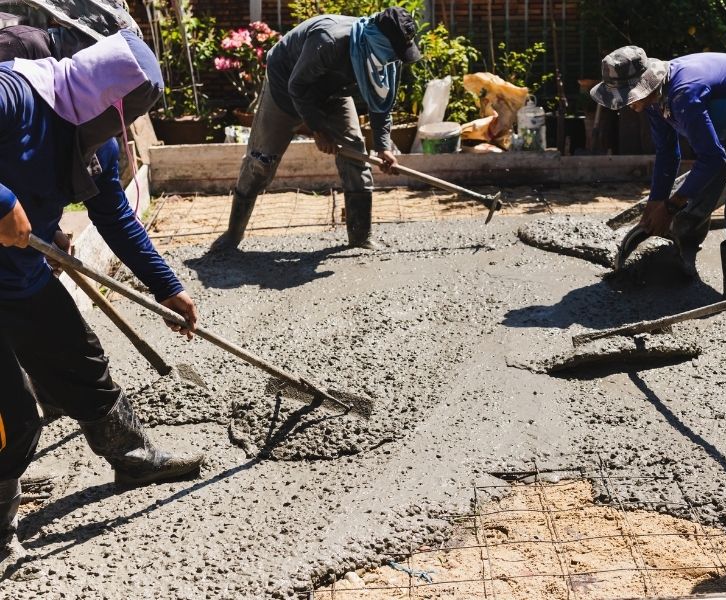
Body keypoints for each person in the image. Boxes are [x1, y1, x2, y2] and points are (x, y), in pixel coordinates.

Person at [0, 30, 205, 575]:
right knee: (12, 416)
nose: (119, 130)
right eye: (122, 115)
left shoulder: (94, 139)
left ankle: (133, 459)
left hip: (18, 276)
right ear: (103, 97)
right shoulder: (14, 95)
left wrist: (167, 286)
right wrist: (1, 201)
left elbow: (114, 215)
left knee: (81, 361)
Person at [209, 7, 422, 252]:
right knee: (261, 160)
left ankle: (360, 237)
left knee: (355, 154)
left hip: (332, 92)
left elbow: (382, 102)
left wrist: (383, 147)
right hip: (286, 87)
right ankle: (232, 235)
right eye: (393, 51)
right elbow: (298, 86)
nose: (395, 58)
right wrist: (318, 130)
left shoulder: (386, 57)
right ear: (378, 39)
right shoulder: (330, 40)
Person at [590, 47, 726, 298]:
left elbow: (712, 157)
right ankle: (682, 267)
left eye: (628, 97)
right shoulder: (654, 101)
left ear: (646, 84)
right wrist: (655, 204)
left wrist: (671, 207)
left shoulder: (684, 94)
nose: (628, 105)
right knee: (701, 188)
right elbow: (667, 152)